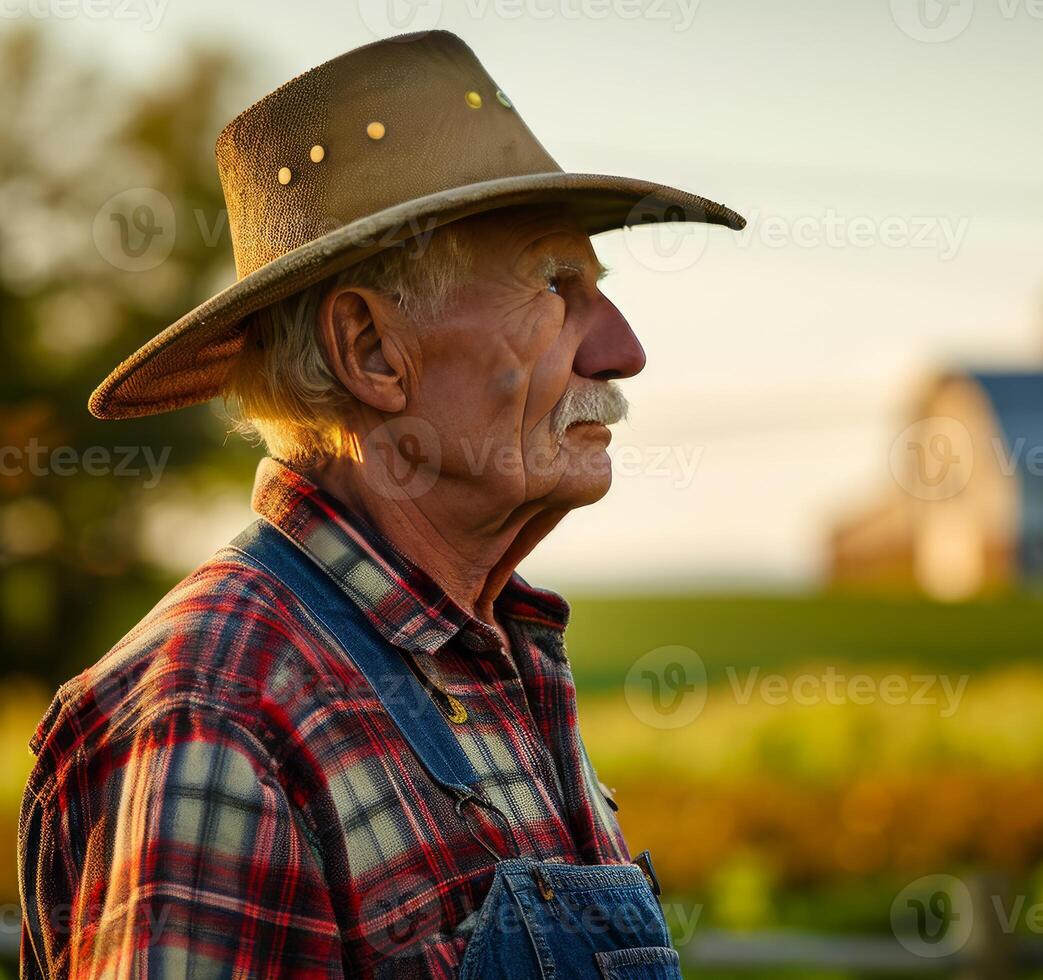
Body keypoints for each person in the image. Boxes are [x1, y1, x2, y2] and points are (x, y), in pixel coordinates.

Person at [18, 30, 743, 979]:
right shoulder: (221, 709)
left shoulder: (493, 662)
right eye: (557, 287)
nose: (621, 349)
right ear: (370, 350)